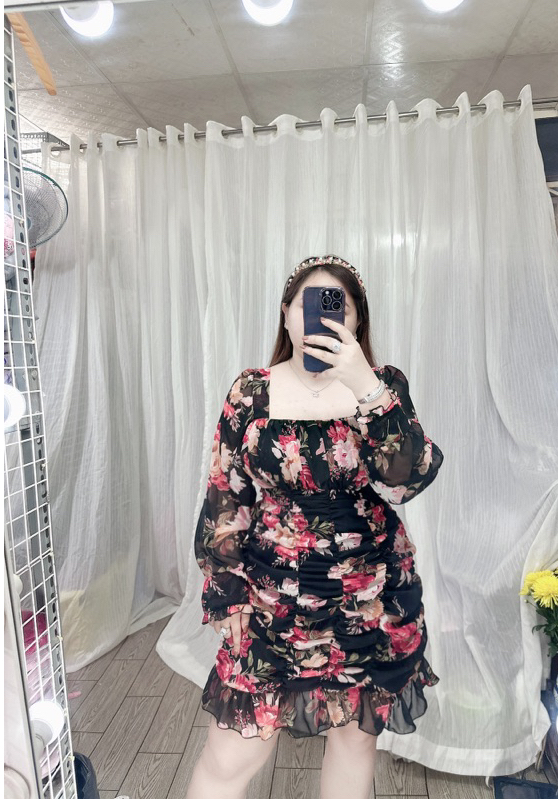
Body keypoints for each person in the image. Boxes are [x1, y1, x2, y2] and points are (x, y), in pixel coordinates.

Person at [185, 255, 444, 799]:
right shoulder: (251, 391)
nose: (320, 320)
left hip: (369, 594)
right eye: (309, 305)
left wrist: (364, 386)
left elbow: (406, 481)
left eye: (337, 308)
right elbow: (226, 491)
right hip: (270, 595)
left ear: (356, 320)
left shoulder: (382, 387)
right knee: (232, 752)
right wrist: (226, 590)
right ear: (286, 315)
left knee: (354, 741)